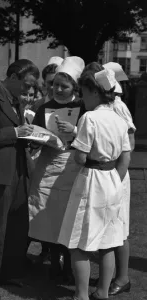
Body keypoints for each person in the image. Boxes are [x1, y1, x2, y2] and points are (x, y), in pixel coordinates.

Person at [58, 68, 131, 300]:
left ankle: (81, 295)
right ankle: (102, 291)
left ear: (94, 92)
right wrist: (114, 179)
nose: (82, 98)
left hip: (91, 179)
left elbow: (80, 156)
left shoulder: (90, 118)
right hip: (111, 179)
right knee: (108, 240)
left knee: (78, 242)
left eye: (84, 93)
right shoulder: (119, 119)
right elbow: (126, 156)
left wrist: (80, 155)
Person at [0, 59, 38, 300]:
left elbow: (16, 132)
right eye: (27, 84)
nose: (29, 90)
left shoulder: (15, 100)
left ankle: (9, 272)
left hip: (19, 170)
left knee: (17, 225)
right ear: (13, 77)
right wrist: (14, 132)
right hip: (0, 172)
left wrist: (31, 137)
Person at [28, 57, 85, 282]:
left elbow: (91, 137)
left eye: (64, 86)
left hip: (72, 166)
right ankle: (53, 261)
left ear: (75, 88)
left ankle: (70, 267)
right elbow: (38, 133)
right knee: (48, 215)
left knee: (69, 218)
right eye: (55, 85)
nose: (58, 90)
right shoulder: (44, 107)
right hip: (48, 165)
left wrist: (75, 130)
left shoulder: (82, 107)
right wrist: (36, 137)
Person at [88, 61, 134, 296]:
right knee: (107, 226)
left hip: (115, 174)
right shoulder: (99, 108)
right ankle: (111, 276)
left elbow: (130, 143)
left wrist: (116, 176)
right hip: (107, 174)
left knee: (118, 227)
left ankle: (123, 277)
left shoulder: (118, 107)